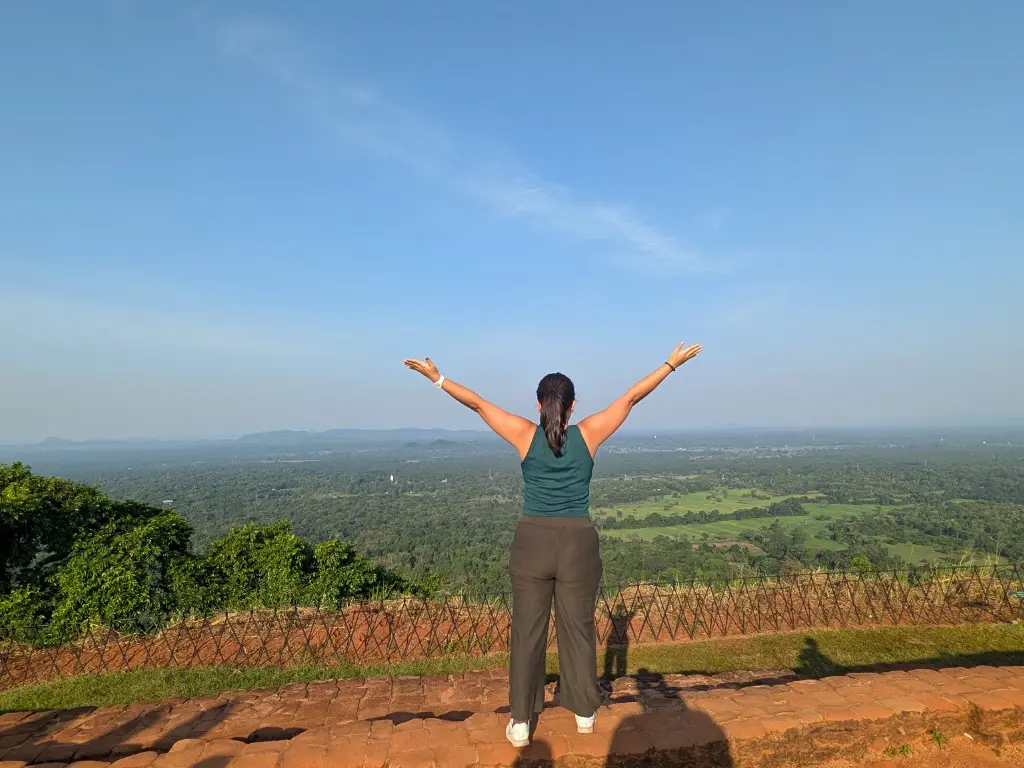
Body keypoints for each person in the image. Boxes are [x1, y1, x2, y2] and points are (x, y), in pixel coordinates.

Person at [403, 341, 703, 747]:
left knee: (528, 633)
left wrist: (437, 378)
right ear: (573, 406)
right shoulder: (590, 433)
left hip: (532, 542)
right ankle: (583, 711)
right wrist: (670, 364)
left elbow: (477, 404)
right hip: (578, 542)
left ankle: (522, 722)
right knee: (578, 629)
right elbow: (632, 397)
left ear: (538, 404)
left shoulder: (525, 434)